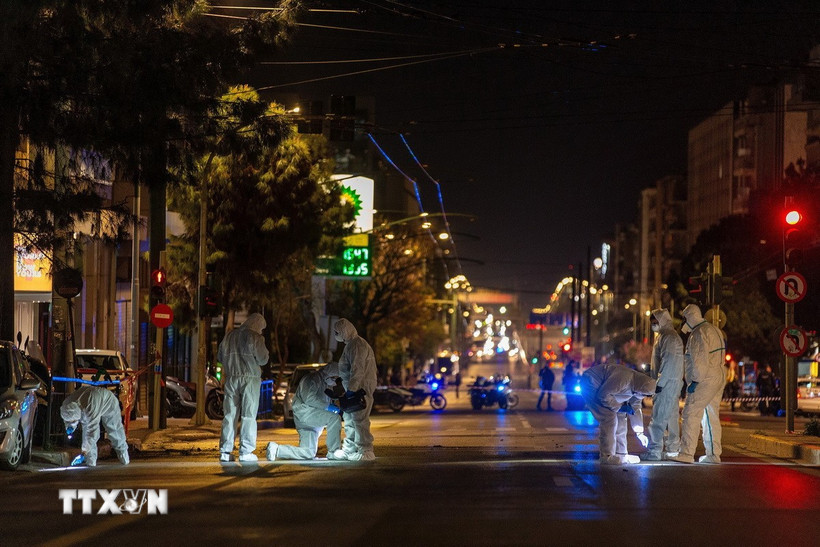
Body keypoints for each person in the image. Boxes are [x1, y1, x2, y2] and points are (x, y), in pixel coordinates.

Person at [670, 304, 726, 464]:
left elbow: (699, 360)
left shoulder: (698, 333)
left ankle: (686, 453)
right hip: (718, 375)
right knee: (711, 415)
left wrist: (695, 380)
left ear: (690, 317)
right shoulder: (714, 330)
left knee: (691, 413)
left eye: (685, 318)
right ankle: (714, 454)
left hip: (704, 378)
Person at [217, 312, 269, 463]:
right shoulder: (255, 337)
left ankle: (225, 451)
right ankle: (246, 451)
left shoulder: (229, 336)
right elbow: (263, 359)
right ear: (258, 325)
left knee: (229, 415)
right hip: (250, 379)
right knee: (248, 415)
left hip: (231, 378)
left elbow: (220, 357)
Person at [580, 363, 656, 464]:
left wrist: (639, 433)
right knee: (609, 418)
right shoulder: (624, 379)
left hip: (603, 389)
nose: (642, 397)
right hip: (591, 383)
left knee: (621, 416)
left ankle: (621, 454)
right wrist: (619, 407)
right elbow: (603, 396)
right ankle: (607, 456)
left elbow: (636, 409)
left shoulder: (638, 387)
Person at [266, 363, 345, 461]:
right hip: (307, 414)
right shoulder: (312, 379)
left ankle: (276, 449)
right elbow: (309, 398)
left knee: (308, 452)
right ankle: (334, 451)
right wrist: (328, 407)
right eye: (334, 378)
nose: (334, 381)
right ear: (329, 373)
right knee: (334, 418)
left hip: (309, 421)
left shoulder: (324, 383)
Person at [331, 318, 378, 462]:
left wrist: (352, 389)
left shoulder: (357, 345)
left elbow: (358, 370)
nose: (336, 335)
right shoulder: (350, 345)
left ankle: (366, 449)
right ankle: (349, 448)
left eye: (337, 332)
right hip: (353, 389)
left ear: (344, 331)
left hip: (360, 390)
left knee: (360, 419)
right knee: (350, 419)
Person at [641, 309, 684, 461]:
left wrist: (660, 383)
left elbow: (669, 361)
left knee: (658, 418)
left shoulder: (668, 337)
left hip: (666, 384)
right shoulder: (667, 336)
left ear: (662, 320)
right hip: (671, 382)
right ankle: (672, 450)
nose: (653, 325)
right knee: (671, 418)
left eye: (655, 322)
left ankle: (654, 451)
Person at [60, 385, 129, 467]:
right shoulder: (66, 405)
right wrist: (69, 426)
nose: (72, 422)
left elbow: (92, 431)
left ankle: (124, 456)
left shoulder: (90, 406)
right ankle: (90, 462)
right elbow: (68, 418)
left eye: (74, 421)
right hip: (89, 403)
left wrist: (84, 452)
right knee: (86, 431)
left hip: (108, 402)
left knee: (114, 429)